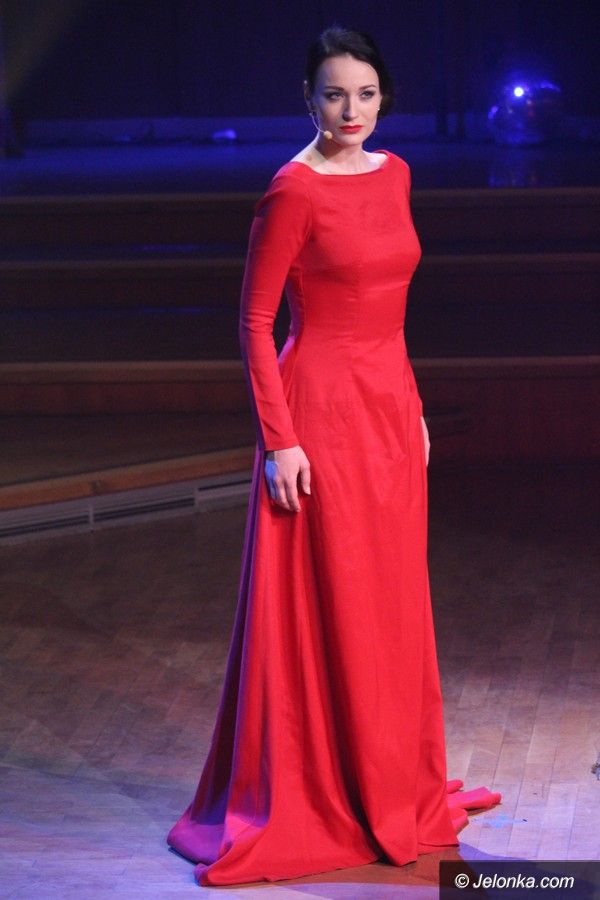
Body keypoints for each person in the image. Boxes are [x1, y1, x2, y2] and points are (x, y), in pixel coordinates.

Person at [167, 25, 502, 887]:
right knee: (335, 597)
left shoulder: (397, 174)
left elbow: (392, 310)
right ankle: (328, 790)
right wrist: (279, 439)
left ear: (383, 98)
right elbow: (254, 322)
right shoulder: (292, 189)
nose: (350, 109)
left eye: (365, 93)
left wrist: (413, 406)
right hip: (317, 413)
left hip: (387, 408)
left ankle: (390, 777)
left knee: (391, 600)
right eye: (333, 94)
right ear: (308, 99)